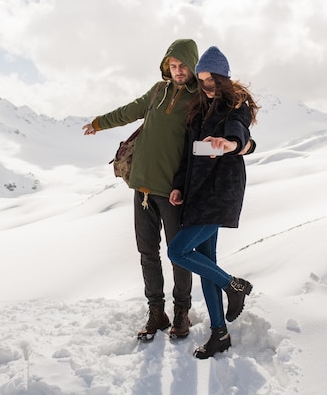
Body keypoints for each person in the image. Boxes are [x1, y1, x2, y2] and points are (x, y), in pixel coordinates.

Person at [82, 39, 199, 341]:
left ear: (193, 65)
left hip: (172, 191)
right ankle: (156, 312)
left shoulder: (197, 99)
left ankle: (182, 312)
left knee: (179, 255)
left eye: (182, 65)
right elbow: (129, 111)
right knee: (147, 253)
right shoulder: (157, 92)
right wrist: (98, 123)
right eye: (172, 66)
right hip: (142, 188)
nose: (177, 71)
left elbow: (196, 146)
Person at [167, 46, 259, 359]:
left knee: (177, 251)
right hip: (196, 193)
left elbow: (239, 131)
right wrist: (179, 186)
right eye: (202, 79)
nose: (206, 86)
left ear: (222, 79)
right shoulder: (197, 109)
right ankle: (219, 333)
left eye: (211, 80)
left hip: (219, 192)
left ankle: (234, 285)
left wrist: (232, 144)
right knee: (206, 263)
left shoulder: (235, 103)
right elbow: (188, 154)